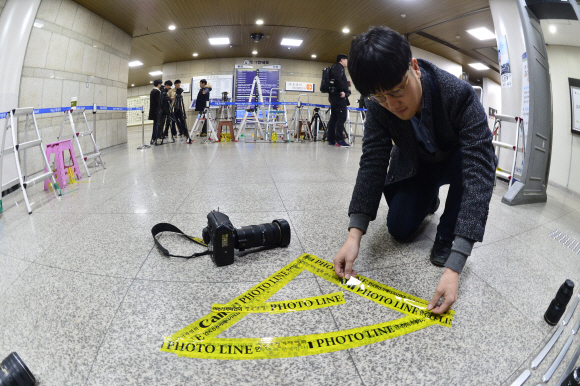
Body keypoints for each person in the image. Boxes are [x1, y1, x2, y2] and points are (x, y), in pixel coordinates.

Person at [333, 26, 497, 315]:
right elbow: (373, 161)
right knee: (398, 229)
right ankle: (428, 198)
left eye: (398, 90)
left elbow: (480, 172)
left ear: (415, 67)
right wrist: (353, 236)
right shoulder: (379, 106)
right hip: (416, 165)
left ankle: (445, 233)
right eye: (380, 97)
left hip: (455, 162)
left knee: (471, 162)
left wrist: (455, 265)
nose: (392, 104)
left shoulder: (458, 94)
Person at [327, 54, 351, 148]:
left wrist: (346, 83)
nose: (347, 62)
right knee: (341, 117)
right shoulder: (338, 67)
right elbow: (337, 79)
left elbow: (337, 79)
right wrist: (342, 90)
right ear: (342, 60)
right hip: (338, 97)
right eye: (346, 60)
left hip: (334, 97)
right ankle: (339, 140)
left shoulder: (335, 67)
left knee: (333, 118)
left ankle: (331, 139)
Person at [148, 79, 162, 145]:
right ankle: (154, 138)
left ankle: (154, 138)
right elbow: (159, 102)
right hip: (157, 111)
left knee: (155, 124)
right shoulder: (157, 91)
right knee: (156, 125)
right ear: (159, 84)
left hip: (154, 111)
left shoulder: (152, 91)